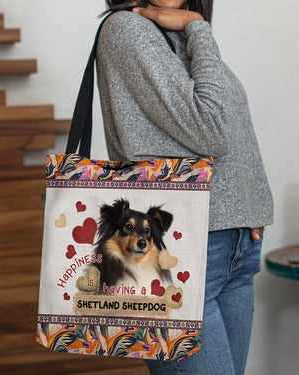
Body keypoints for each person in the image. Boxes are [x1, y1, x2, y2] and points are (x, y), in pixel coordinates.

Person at [95, 1, 274, 374]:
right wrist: (198, 26)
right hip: (177, 255)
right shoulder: (128, 30)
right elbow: (212, 129)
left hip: (235, 250)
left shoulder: (175, 31)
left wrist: (250, 210)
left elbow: (233, 123)